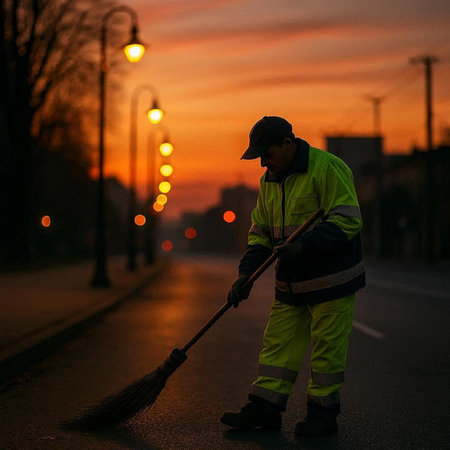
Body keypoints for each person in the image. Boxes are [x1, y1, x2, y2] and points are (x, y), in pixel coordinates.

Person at [220, 116, 365, 436]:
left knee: (327, 351)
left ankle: (323, 416)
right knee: (277, 346)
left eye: (266, 154)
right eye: (259, 157)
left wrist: (302, 246)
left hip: (332, 280)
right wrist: (245, 276)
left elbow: (347, 221)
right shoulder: (269, 181)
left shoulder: (328, 168)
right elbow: (260, 234)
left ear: (288, 144)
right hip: (291, 282)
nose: (263, 163)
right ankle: (265, 409)